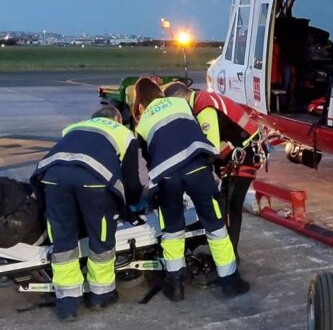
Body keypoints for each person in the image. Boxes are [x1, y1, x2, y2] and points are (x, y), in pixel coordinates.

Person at [132, 78, 249, 301]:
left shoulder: (142, 123)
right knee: (215, 226)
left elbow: (149, 159)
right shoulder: (181, 104)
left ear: (139, 102)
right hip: (197, 169)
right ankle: (230, 282)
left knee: (172, 231)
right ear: (160, 92)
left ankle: (175, 287)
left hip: (166, 177)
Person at [30, 105, 142, 321]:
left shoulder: (73, 128)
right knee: (101, 240)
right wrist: (132, 207)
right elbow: (132, 181)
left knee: (63, 243)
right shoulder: (124, 133)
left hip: (53, 178)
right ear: (117, 118)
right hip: (93, 183)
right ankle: (100, 295)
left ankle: (67, 303)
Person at [163, 82, 262, 257]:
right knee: (222, 203)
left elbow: (209, 149)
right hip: (238, 152)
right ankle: (220, 246)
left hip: (243, 154)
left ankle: (230, 258)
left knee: (230, 206)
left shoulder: (204, 107)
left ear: (179, 98)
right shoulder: (200, 100)